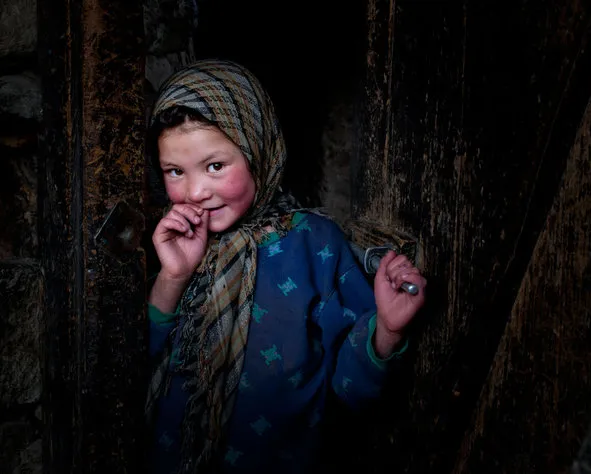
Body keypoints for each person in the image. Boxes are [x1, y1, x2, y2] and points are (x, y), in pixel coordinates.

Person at [144, 59, 426, 474]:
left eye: (215, 166)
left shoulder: (312, 243)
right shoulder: (179, 241)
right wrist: (173, 277)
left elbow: (350, 391)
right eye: (175, 171)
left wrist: (386, 330)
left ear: (258, 151)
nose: (196, 191)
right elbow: (135, 366)